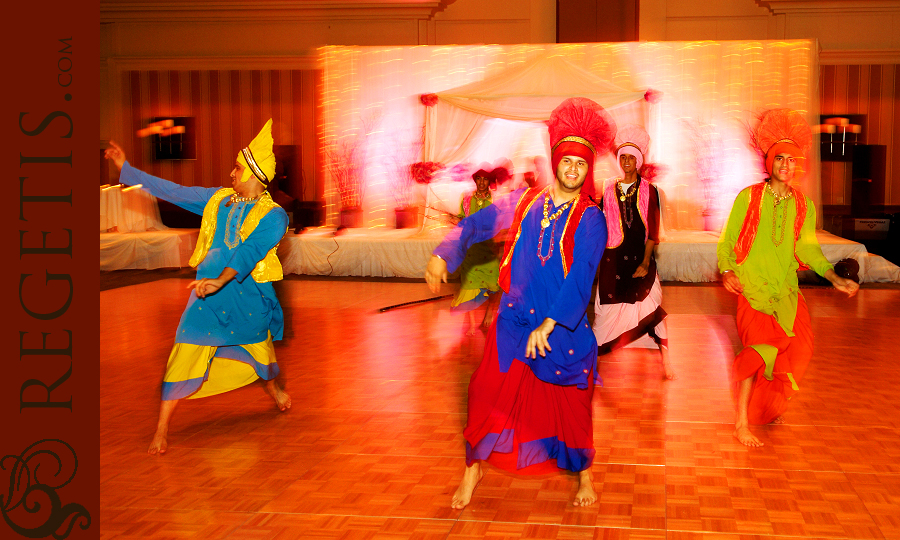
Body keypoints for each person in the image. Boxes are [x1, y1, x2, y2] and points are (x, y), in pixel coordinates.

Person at [425, 97, 614, 508]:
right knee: (484, 393)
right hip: (513, 322)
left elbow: (582, 275)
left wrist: (551, 323)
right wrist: (444, 252)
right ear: (556, 160)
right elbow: (481, 221)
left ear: (588, 169)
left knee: (572, 402)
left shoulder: (592, 218)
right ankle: (471, 471)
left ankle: (585, 476)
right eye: (567, 160)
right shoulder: (528, 201)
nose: (572, 169)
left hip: (561, 329)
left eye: (581, 164)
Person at [104, 119, 292, 456]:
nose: (231, 174)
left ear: (252, 174)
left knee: (261, 355)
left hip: (246, 294)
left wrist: (222, 279)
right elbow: (173, 190)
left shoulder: (275, 216)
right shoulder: (217, 200)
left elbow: (250, 252)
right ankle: (161, 428)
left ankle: (274, 390)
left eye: (237, 168)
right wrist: (126, 170)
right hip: (204, 292)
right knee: (185, 349)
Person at [717, 109, 858, 447]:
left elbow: (808, 250)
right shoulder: (748, 197)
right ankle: (740, 423)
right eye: (779, 158)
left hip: (786, 293)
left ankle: (771, 404)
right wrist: (727, 270)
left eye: (791, 159)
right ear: (769, 162)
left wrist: (832, 276)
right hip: (752, 291)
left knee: (799, 351)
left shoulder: (804, 205)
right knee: (760, 351)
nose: (785, 164)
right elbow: (728, 240)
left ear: (798, 165)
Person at [593, 124, 674, 379]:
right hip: (612, 260)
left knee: (653, 306)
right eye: (623, 157)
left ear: (638, 162)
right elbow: (597, 222)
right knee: (606, 313)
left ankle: (667, 360)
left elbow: (653, 230)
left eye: (632, 158)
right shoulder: (606, 187)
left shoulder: (650, 190)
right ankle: (590, 358)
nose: (627, 161)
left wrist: (647, 261)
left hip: (640, 259)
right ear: (619, 160)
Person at [452, 164, 502, 335]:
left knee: (493, 283)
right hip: (470, 248)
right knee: (468, 284)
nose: (481, 182)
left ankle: (489, 313)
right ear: (475, 181)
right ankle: (472, 323)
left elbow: (500, 222)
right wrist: (455, 221)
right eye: (478, 179)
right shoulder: (466, 199)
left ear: (489, 182)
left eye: (485, 179)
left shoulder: (495, 199)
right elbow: (461, 217)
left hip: (488, 248)